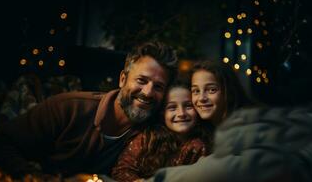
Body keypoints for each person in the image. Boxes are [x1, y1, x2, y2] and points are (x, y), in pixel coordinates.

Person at [0, 41, 178, 178]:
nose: (148, 92)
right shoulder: (69, 107)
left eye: (158, 87)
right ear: (122, 79)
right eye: (141, 80)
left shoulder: (154, 133)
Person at [141, 105, 312, 182]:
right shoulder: (149, 138)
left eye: (212, 88)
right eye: (196, 91)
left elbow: (237, 167)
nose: (202, 98)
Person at [111, 81, 207, 182]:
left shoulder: (200, 147)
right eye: (172, 107)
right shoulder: (148, 138)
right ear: (162, 113)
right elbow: (121, 170)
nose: (181, 113)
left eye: (188, 106)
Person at [190, 60, 253, 149]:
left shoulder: (247, 132)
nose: (201, 98)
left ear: (229, 91)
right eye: (196, 91)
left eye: (211, 90)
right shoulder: (202, 131)